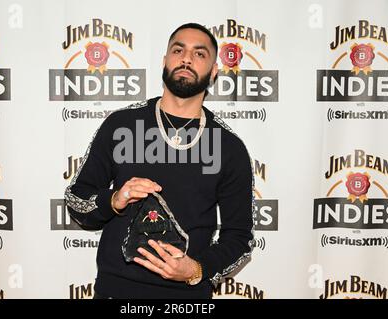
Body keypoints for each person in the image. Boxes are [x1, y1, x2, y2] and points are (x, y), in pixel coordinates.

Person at [65, 22, 255, 299]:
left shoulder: (229, 147)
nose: (187, 58)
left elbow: (240, 239)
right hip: (115, 292)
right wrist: (114, 200)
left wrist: (197, 269)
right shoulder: (122, 126)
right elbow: (76, 202)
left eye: (199, 54)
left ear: (214, 71)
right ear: (165, 61)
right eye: (178, 50)